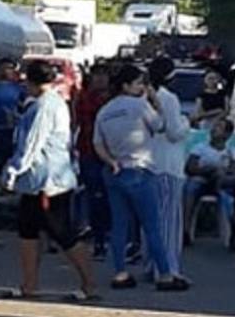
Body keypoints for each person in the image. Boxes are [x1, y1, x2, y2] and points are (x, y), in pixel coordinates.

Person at [2, 60, 99, 301]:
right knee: (27, 231)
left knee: (62, 232)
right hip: (38, 181)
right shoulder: (52, 103)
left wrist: (13, 171)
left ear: (31, 81)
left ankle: (89, 285)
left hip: (48, 180)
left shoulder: (44, 107)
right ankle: (29, 284)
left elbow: (32, 143)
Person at [94, 64, 189, 292]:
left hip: (115, 170)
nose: (142, 88)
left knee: (119, 225)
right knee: (152, 225)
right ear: (126, 86)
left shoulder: (105, 111)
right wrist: (156, 104)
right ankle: (165, 274)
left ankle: (120, 272)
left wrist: (111, 161)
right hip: (140, 168)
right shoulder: (139, 105)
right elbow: (162, 126)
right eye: (138, 83)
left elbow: (97, 143)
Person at [147, 57, 190, 282]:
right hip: (169, 165)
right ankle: (168, 269)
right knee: (169, 222)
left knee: (152, 220)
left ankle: (152, 264)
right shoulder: (169, 98)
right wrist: (186, 123)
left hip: (149, 164)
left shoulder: (143, 96)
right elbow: (174, 132)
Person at [75, 64, 113, 259]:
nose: (99, 79)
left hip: (111, 153)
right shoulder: (83, 97)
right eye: (96, 75)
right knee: (94, 194)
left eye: (103, 75)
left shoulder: (115, 100)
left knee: (110, 196)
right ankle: (97, 237)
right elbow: (76, 121)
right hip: (88, 150)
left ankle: (110, 235)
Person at [184, 118, 234, 241]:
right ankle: (185, 229)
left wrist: (221, 173)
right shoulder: (200, 148)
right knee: (191, 187)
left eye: (219, 127)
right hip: (201, 180)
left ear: (227, 134)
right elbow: (190, 168)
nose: (214, 129)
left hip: (221, 183)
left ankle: (232, 231)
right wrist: (209, 170)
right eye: (214, 126)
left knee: (227, 193)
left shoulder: (231, 152)